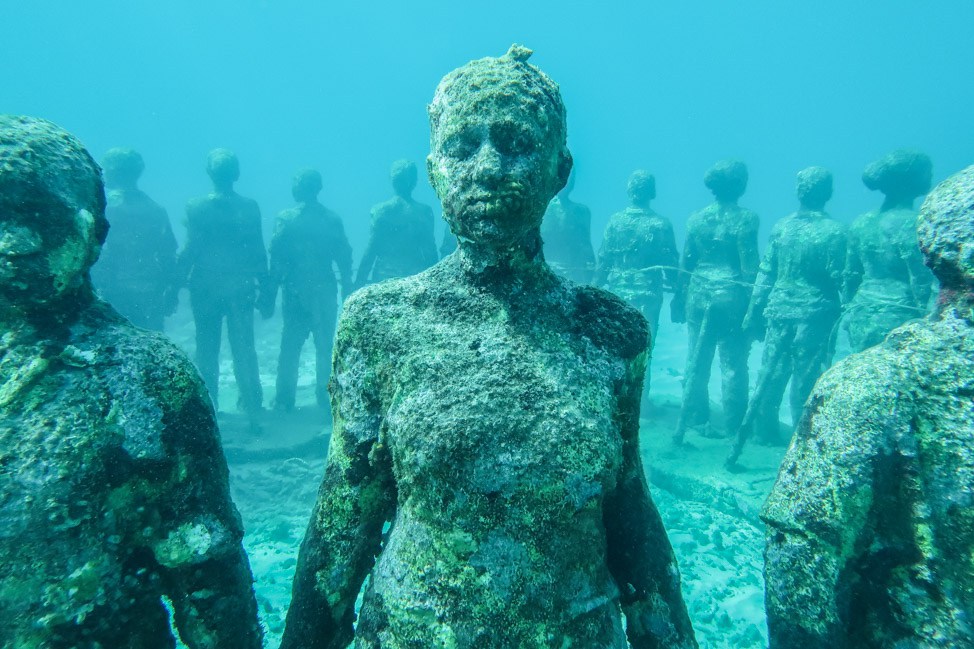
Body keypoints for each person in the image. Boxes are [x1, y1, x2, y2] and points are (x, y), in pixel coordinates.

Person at [280, 45, 697, 649]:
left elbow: (626, 498)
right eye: (461, 146)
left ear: (560, 168)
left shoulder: (611, 331)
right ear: (433, 170)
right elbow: (346, 514)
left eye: (516, 142)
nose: (488, 167)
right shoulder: (380, 322)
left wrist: (666, 631)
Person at [0, 115, 262, 648]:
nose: (16, 237)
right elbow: (183, 248)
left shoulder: (191, 209)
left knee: (211, 355)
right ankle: (252, 407)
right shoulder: (187, 209)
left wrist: (181, 278)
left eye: (35, 215)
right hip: (212, 287)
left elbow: (182, 250)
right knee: (240, 352)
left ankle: (243, 407)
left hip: (187, 288)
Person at [762, 164, 974, 648]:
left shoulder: (851, 227)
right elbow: (850, 276)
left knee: (832, 399)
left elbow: (844, 276)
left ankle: (790, 449)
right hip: (880, 310)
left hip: (853, 311)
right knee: (817, 390)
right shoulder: (846, 229)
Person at [726, 167, 847, 468]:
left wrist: (754, 311)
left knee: (771, 372)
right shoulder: (836, 232)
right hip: (814, 314)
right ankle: (802, 442)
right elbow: (838, 278)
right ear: (828, 193)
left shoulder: (782, 227)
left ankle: (763, 432)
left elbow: (766, 272)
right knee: (806, 378)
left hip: (779, 310)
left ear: (799, 192)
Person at [178, 148, 270, 421]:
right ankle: (254, 409)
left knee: (206, 348)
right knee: (245, 348)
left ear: (209, 173)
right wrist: (265, 289)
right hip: (240, 286)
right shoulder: (249, 207)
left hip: (205, 286)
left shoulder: (196, 207)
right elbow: (258, 251)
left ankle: (209, 409)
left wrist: (172, 284)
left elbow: (190, 250)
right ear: (237, 174)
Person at [672, 160, 760, 445]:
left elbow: (686, 262)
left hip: (698, 293)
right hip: (731, 296)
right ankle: (734, 423)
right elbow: (749, 267)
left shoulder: (696, 218)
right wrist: (754, 309)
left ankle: (697, 418)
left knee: (696, 357)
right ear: (740, 184)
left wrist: (678, 297)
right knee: (733, 362)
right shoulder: (746, 219)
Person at [264, 168, 353, 411]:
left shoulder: (286, 219)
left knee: (290, 346)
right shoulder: (331, 219)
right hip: (324, 289)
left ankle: (284, 398)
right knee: (325, 346)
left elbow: (277, 260)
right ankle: (325, 398)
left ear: (299, 188)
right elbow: (344, 258)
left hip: (295, 290)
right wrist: (347, 289)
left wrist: (269, 296)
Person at [595, 170, 679, 409]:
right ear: (651, 192)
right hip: (648, 296)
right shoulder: (660, 224)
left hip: (618, 294)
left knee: (615, 346)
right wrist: (679, 293)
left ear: (629, 191)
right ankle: (641, 403)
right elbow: (671, 265)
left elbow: (603, 261)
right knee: (645, 349)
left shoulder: (615, 222)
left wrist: (594, 288)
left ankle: (613, 398)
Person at [841, 149, 934, 352]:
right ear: (909, 179)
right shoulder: (913, 223)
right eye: (926, 172)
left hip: (861, 314)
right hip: (899, 318)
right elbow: (920, 279)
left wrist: (848, 310)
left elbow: (851, 275)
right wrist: (928, 319)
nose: (930, 176)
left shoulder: (860, 223)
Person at [90, 147, 178, 331]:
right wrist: (171, 290)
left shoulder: (105, 208)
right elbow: (168, 253)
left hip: (112, 289)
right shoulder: (156, 209)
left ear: (113, 171)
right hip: (149, 289)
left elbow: (96, 250)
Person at [355, 159, 438, 286]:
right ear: (414, 181)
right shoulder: (424, 212)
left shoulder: (380, 210)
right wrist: (435, 282)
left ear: (392, 180)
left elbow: (372, 248)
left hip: (384, 277)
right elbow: (430, 251)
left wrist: (359, 282)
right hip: (415, 278)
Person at [541, 168, 596, 284]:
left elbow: (585, 247)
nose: (569, 182)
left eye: (572, 178)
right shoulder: (541, 208)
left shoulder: (581, 211)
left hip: (571, 273)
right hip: (548, 271)